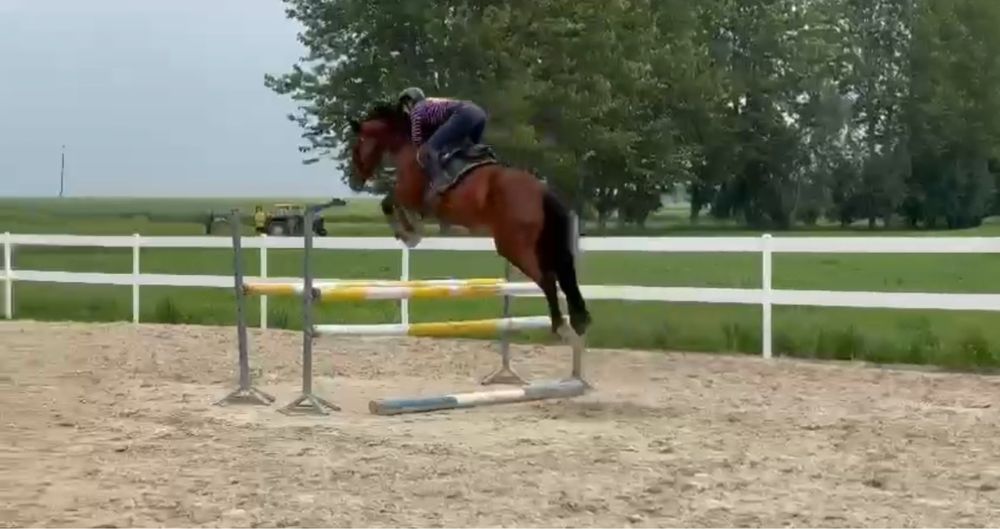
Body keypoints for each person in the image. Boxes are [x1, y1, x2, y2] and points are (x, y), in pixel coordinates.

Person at [397, 87, 488, 209]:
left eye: (404, 106)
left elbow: (417, 139)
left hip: (462, 114)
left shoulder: (416, 111)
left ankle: (439, 180)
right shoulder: (433, 102)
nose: (405, 110)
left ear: (409, 102)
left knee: (429, 149)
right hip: (478, 113)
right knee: (471, 149)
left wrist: (420, 152)